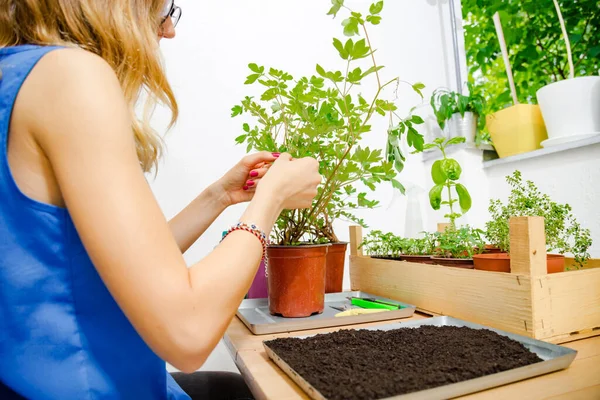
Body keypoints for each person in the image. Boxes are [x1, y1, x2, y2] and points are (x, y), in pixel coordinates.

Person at [0, 0, 321, 399]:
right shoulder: (68, 75)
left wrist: (219, 195)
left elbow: (107, 264)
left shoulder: (14, 76)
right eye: (164, 7)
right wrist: (272, 198)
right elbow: (188, 332)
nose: (168, 29)